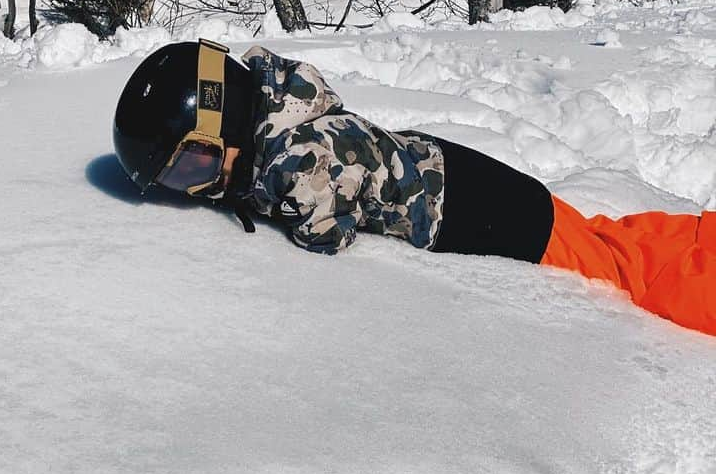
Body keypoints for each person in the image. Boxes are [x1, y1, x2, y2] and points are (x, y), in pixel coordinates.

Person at [112, 39, 716, 338]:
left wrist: (258, 200)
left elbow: (326, 235)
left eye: (192, 168)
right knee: (604, 242)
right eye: (174, 180)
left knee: (618, 273)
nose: (193, 189)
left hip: (474, 211)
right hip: (455, 173)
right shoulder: (285, 111)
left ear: (226, 122)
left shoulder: (296, 160)